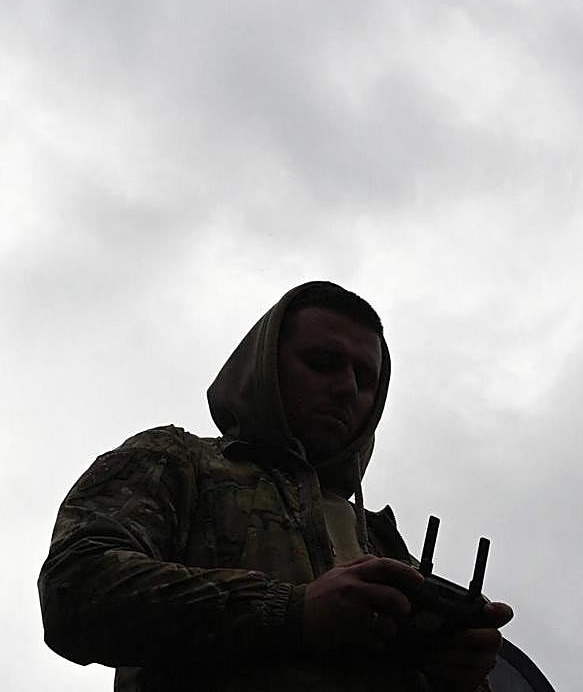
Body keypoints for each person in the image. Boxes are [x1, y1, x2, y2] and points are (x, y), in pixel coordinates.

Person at [39, 280, 513, 691]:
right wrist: (293, 611)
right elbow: (75, 587)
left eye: (365, 377)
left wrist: (457, 674)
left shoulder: (386, 546)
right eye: (323, 362)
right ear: (266, 365)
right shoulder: (178, 461)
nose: (347, 388)